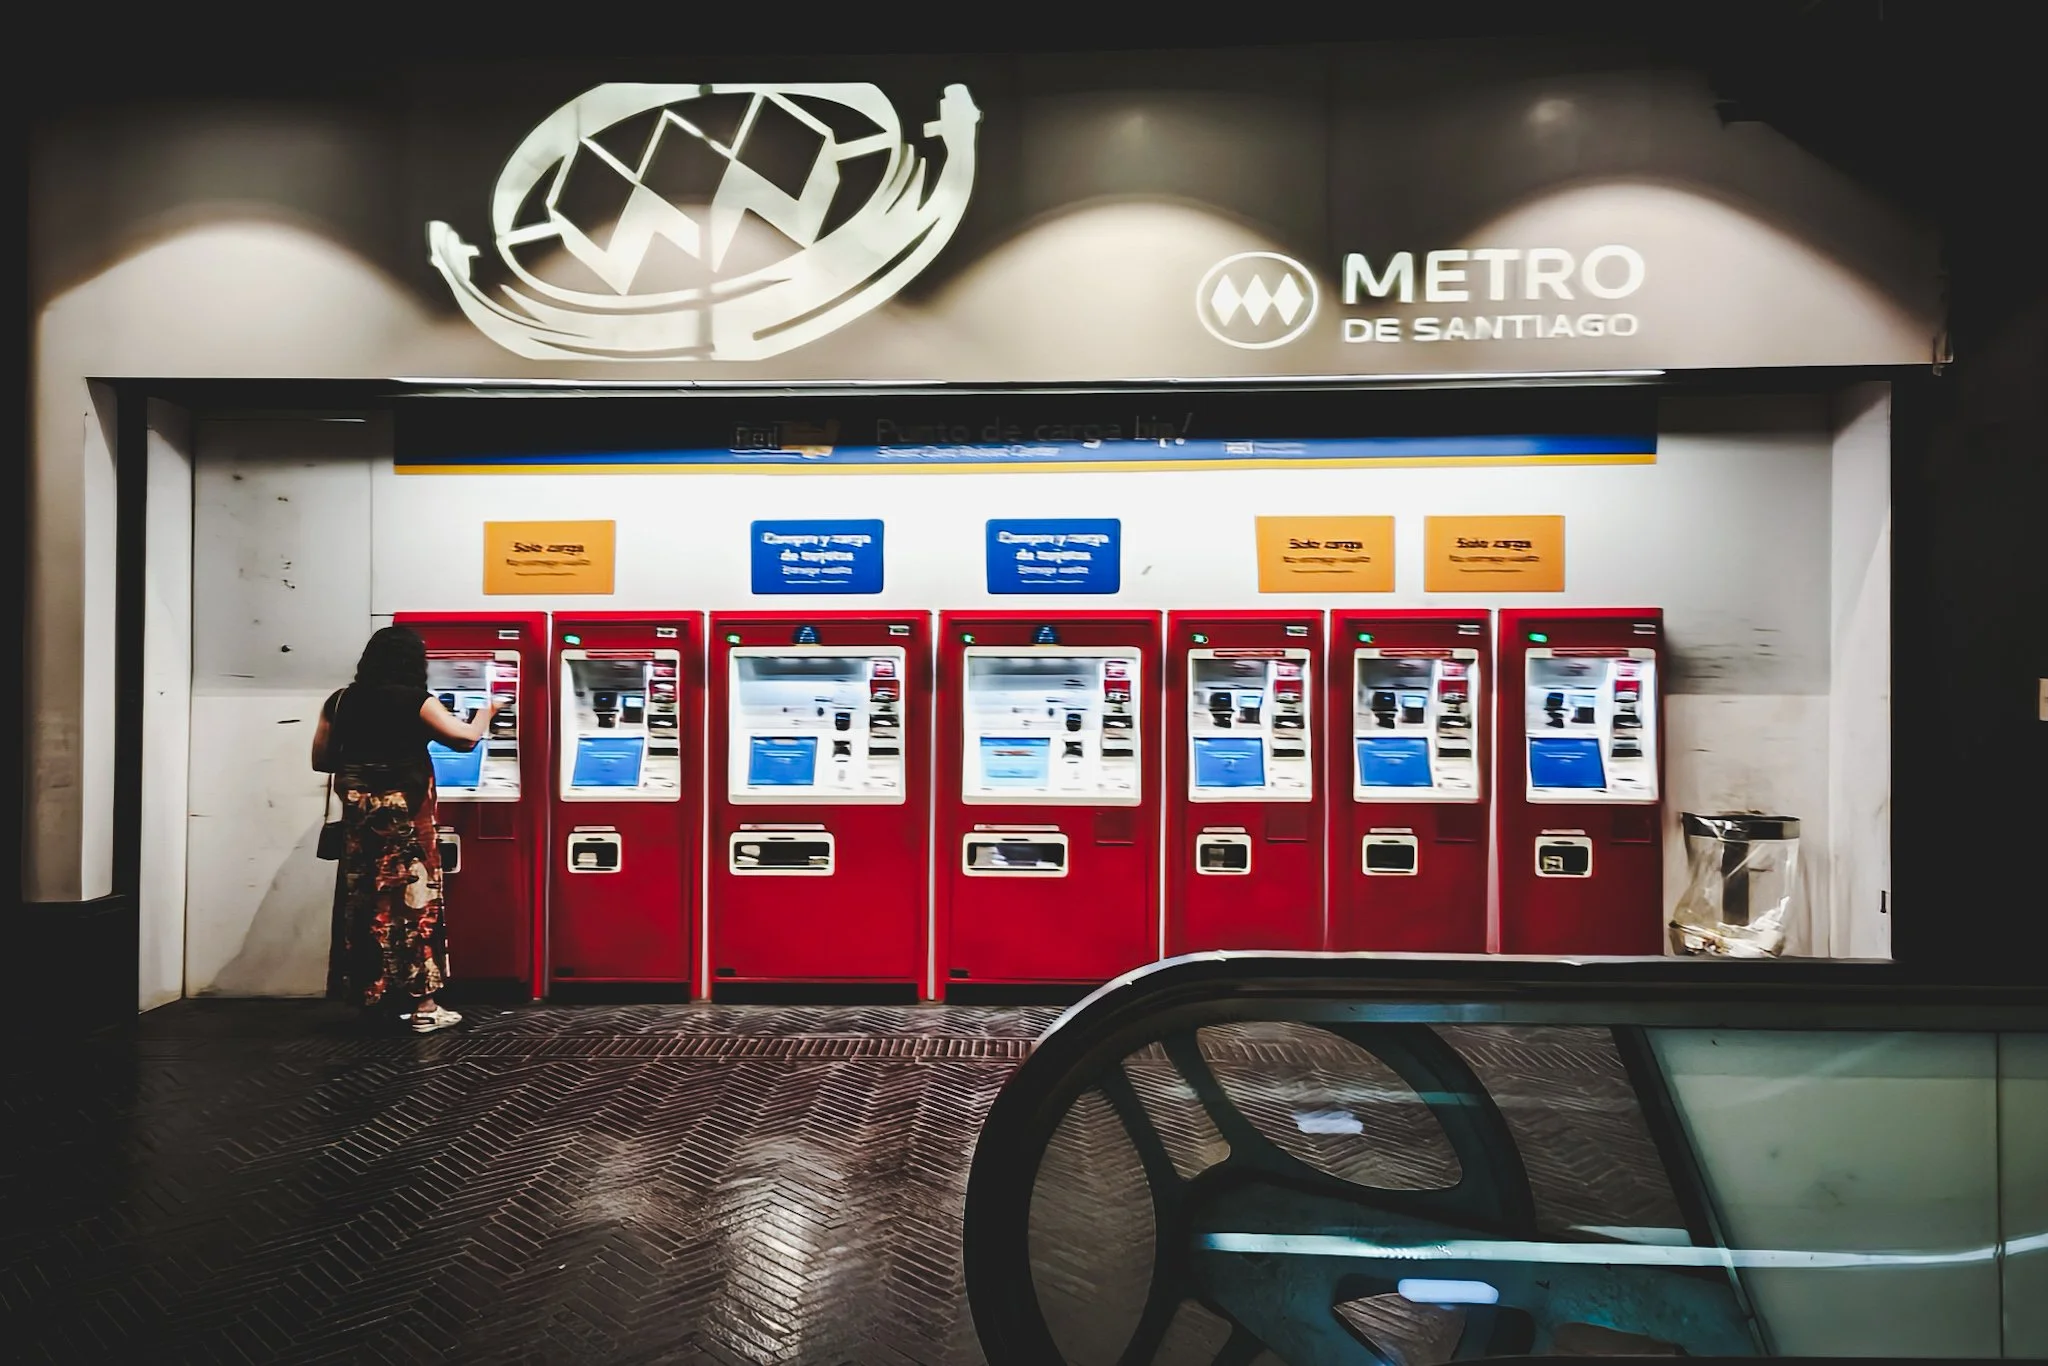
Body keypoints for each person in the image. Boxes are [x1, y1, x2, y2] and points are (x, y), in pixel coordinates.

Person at [311, 626, 504, 1033]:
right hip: (405, 825)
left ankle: (372, 997)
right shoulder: (416, 700)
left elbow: (322, 759)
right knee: (415, 907)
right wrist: (488, 711)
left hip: (360, 825)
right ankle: (425, 1007)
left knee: (364, 907)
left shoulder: (340, 701)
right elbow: (465, 739)